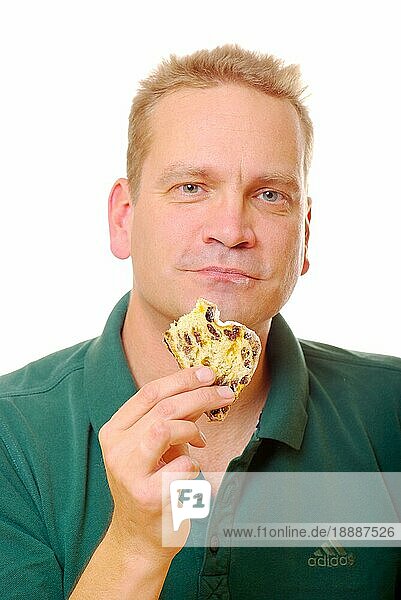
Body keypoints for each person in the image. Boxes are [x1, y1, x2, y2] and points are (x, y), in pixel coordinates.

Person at [0, 44, 400, 600]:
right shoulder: (10, 437)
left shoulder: (392, 411)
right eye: (191, 187)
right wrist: (137, 547)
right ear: (123, 219)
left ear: (305, 234)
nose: (231, 229)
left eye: (269, 194)